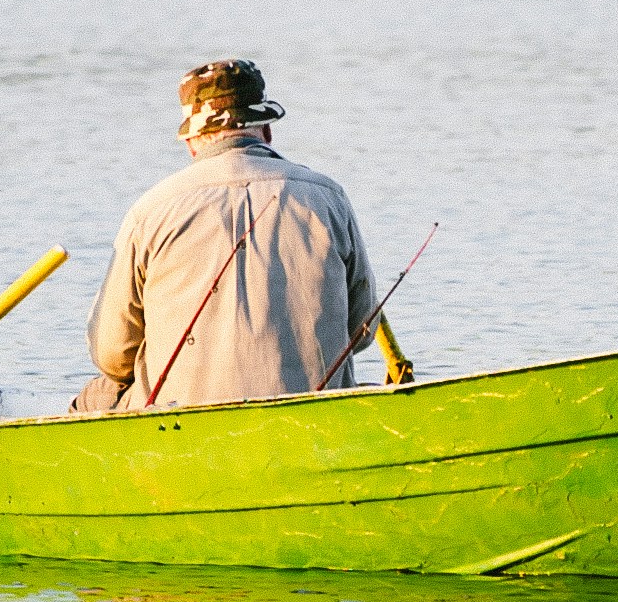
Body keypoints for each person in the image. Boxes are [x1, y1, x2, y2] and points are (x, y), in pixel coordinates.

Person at [82, 57, 389, 411]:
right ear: (267, 130)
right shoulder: (327, 196)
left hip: (177, 421)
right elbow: (362, 329)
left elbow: (112, 354)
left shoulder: (151, 210)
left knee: (96, 396)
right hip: (311, 414)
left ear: (193, 140)